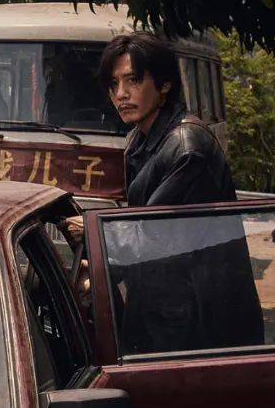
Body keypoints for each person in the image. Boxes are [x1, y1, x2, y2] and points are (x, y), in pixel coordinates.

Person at [64, 33, 261, 354]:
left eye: (133, 80)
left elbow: (154, 237)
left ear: (165, 84)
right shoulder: (139, 140)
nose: (121, 94)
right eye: (113, 84)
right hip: (160, 309)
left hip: (196, 327)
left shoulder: (187, 149)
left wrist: (91, 230)